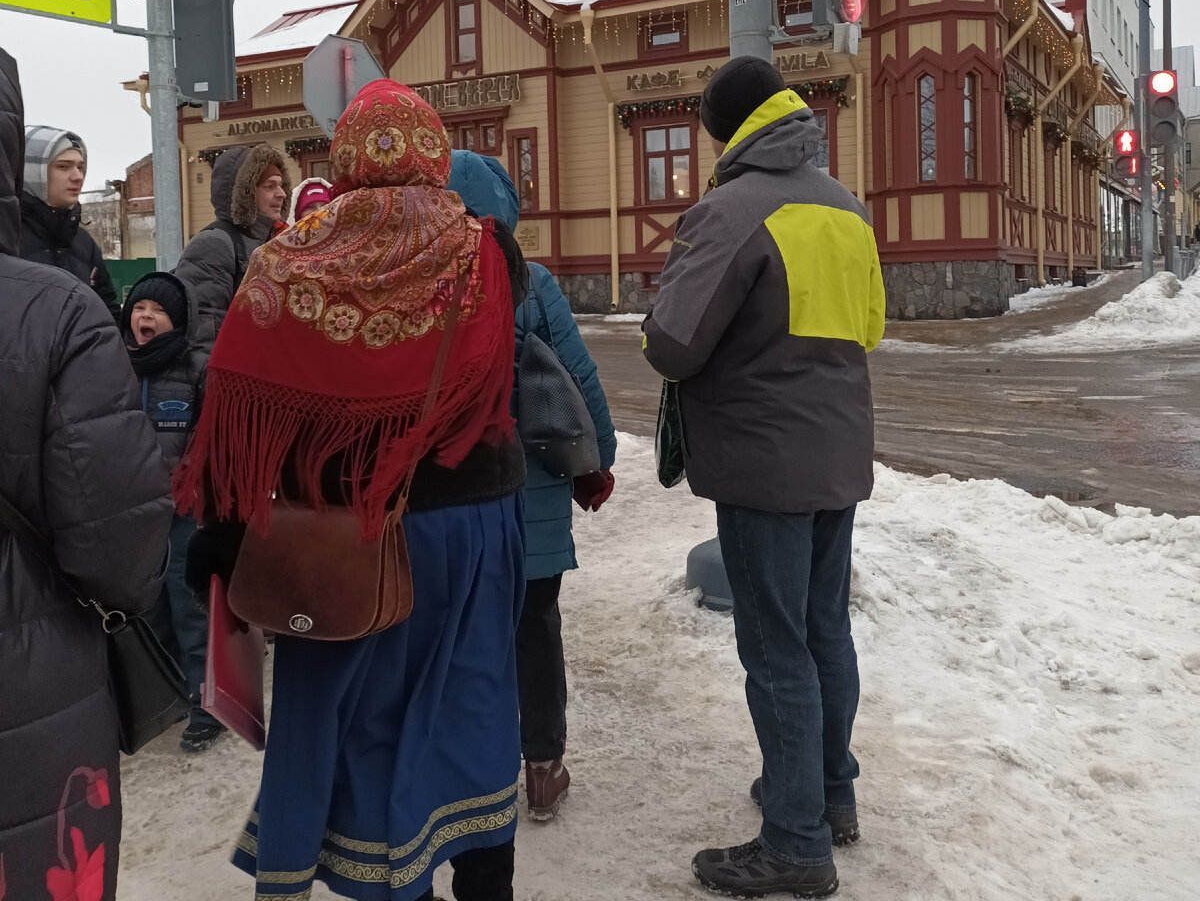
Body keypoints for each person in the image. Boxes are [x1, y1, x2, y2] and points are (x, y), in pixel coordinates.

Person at [175, 81, 528, 901]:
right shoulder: (487, 249)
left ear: (347, 157)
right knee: (473, 705)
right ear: (432, 152)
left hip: (347, 537)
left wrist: (222, 542)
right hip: (474, 532)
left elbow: (242, 410)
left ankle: (385, 880)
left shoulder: (288, 258)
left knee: (361, 726)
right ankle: (485, 876)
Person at [642, 57, 885, 900]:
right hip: (837, 460)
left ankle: (794, 842)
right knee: (825, 633)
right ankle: (828, 793)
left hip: (761, 465)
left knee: (776, 649)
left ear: (724, 130)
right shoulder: (847, 209)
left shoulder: (732, 210)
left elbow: (673, 344)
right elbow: (872, 327)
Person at [0, 48, 175, 901]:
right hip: (29, 680)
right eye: (62, 165)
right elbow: (120, 539)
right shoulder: (48, 300)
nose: (77, 179)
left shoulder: (76, 265)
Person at [448, 149, 617, 821]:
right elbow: (580, 379)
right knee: (535, 629)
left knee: (466, 634)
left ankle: (472, 773)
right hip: (534, 496)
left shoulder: (427, 282)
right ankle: (543, 769)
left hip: (456, 499)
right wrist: (596, 464)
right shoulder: (533, 283)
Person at [119, 271, 223, 753]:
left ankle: (208, 706)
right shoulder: (112, 365)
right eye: (139, 308)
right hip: (134, 513)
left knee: (189, 608)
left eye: (157, 310)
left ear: (177, 320)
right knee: (148, 610)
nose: (146, 316)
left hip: (184, 512)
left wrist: (191, 481)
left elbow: (212, 436)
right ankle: (167, 699)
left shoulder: (197, 366)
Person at [173, 142, 290, 353]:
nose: (281, 193)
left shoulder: (274, 241)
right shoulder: (213, 245)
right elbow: (202, 334)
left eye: (281, 185)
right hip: (230, 377)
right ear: (245, 193)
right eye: (269, 186)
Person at [19, 124, 121, 321]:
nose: (78, 177)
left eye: (80, 167)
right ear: (29, 171)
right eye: (63, 166)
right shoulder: (8, 237)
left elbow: (108, 313)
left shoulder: (84, 243)